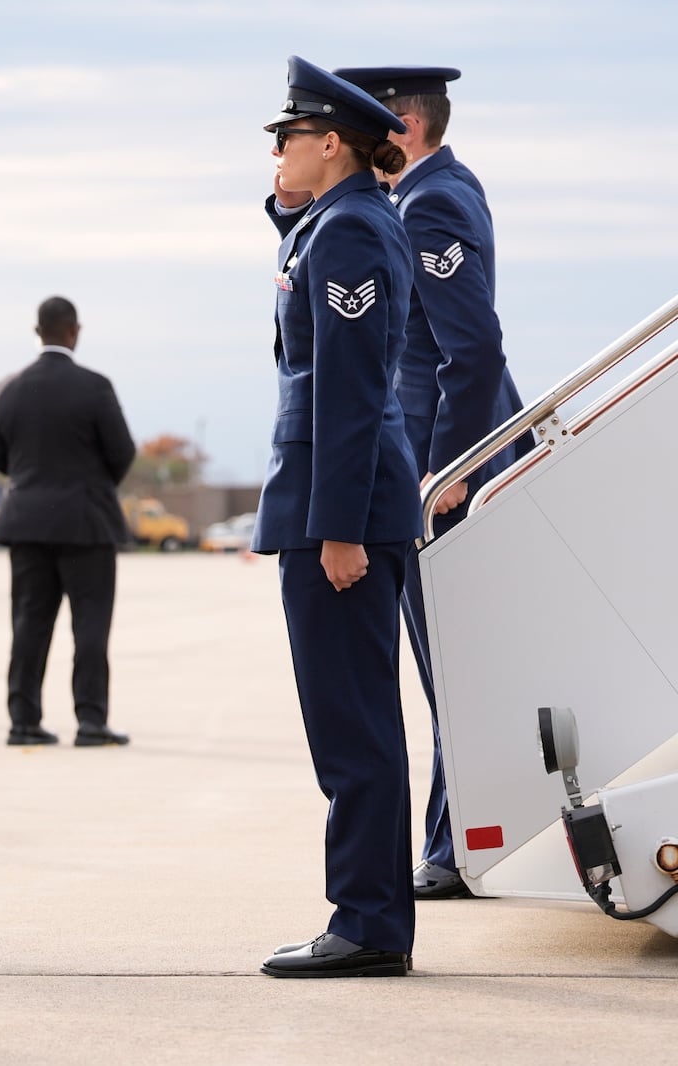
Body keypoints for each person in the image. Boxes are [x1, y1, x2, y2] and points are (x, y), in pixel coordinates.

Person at [332, 65, 532, 901]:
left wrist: (446, 470)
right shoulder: (443, 189)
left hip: (439, 473)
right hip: (437, 464)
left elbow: (471, 348)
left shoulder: (430, 203)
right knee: (454, 662)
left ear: (404, 126)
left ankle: (453, 847)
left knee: (448, 663)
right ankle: (454, 840)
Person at [252, 57, 421, 978]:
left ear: (331, 143)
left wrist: (340, 528)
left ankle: (367, 923)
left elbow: (350, 392)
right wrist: (286, 205)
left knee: (352, 726)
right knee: (352, 722)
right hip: (335, 504)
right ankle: (371, 916)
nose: (277, 151)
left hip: (339, 513)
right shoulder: (337, 225)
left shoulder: (350, 236)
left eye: (288, 138)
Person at [0, 296, 135, 747]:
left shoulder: (6, 387)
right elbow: (122, 452)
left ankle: (23, 721)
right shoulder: (95, 386)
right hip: (87, 522)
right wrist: (91, 484)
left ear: (37, 331)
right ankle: (90, 721)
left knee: (29, 623)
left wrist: (33, 483)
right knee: (89, 624)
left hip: (25, 522)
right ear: (75, 331)